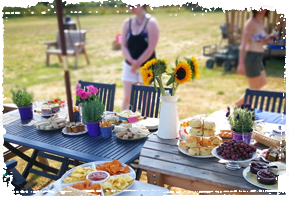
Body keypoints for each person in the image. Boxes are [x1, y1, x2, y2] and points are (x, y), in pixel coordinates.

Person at [121, 4, 159, 111]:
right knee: (127, 97)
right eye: (129, 5)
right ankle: (123, 124)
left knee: (146, 99)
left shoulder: (151, 23)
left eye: (132, 5)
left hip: (147, 67)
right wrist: (132, 62)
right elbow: (123, 45)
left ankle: (148, 126)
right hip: (129, 66)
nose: (130, 8)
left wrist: (138, 63)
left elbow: (151, 47)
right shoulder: (127, 23)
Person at [235, 8, 275, 106]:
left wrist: (267, 39)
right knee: (253, 91)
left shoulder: (260, 22)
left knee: (262, 82)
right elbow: (244, 43)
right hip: (251, 57)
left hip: (258, 57)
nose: (261, 9)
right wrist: (241, 63)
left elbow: (257, 40)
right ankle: (243, 109)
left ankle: (240, 103)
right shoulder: (250, 23)